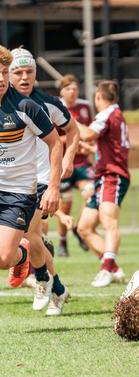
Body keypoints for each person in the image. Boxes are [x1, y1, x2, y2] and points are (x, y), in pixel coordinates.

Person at [8, 48, 77, 315]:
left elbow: (72, 130)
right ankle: (56, 287)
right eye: (18, 72)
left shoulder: (47, 103)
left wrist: (68, 158)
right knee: (32, 236)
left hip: (40, 180)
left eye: (29, 72)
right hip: (12, 181)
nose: (24, 77)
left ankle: (41, 279)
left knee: (28, 233)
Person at [0, 45, 62, 295]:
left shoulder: (26, 107)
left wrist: (54, 187)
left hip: (18, 193)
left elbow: (55, 142)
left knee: (4, 259)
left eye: (4, 73)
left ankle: (22, 253)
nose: (1, 79)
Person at [76, 81, 131, 287]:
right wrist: (91, 151)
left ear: (98, 97)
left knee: (108, 221)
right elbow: (110, 148)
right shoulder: (116, 115)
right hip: (102, 176)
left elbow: (88, 134)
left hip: (112, 176)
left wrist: (68, 121)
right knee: (84, 227)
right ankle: (113, 267)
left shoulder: (108, 113)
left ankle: (106, 269)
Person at [57, 74, 95, 256]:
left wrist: (89, 146)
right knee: (65, 204)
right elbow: (53, 138)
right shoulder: (55, 107)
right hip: (63, 164)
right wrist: (75, 142)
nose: (72, 92)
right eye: (68, 89)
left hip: (82, 164)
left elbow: (91, 130)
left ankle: (79, 227)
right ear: (62, 91)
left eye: (75, 88)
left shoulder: (85, 106)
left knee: (92, 193)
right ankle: (62, 243)